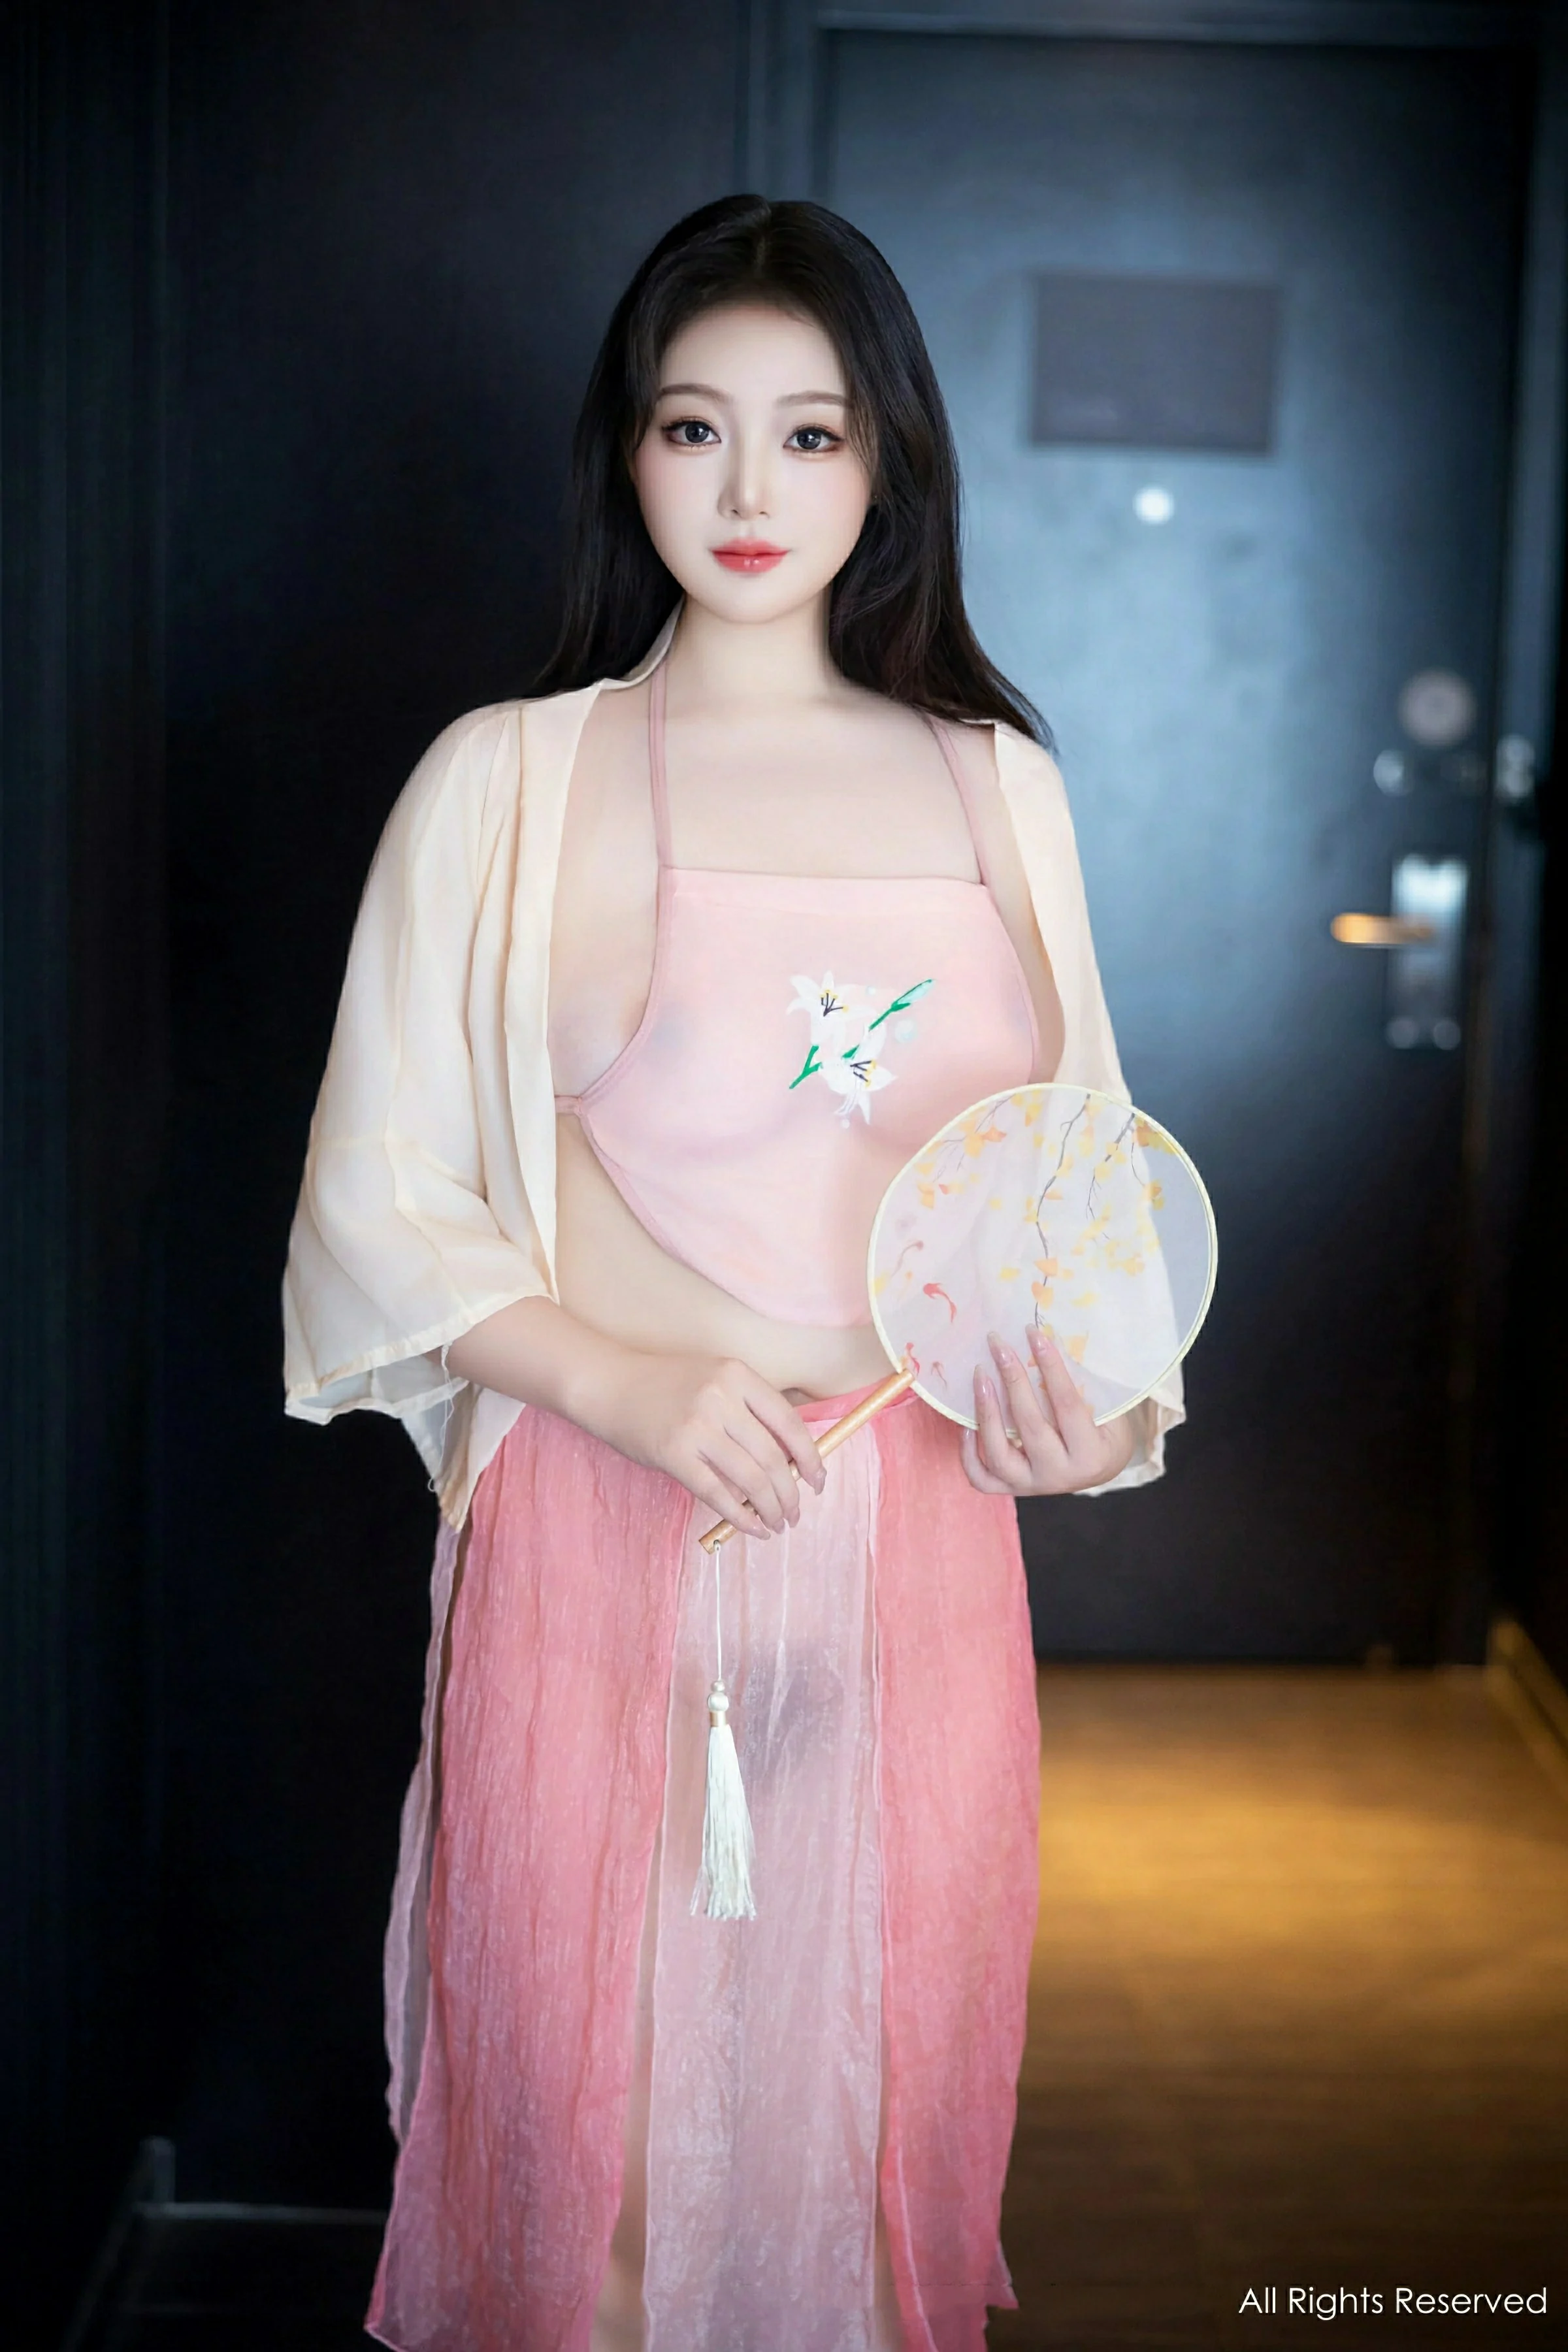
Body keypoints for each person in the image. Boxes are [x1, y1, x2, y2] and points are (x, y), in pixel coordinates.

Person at [284, 193, 1183, 2352]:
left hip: (917, 1555)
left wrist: (1085, 1414)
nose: (750, 487)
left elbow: (1081, 1186)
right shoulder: (510, 780)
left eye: (812, 432)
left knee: (870, 2145)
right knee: (582, 2155)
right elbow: (373, 1205)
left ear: (888, 464)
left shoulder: (1000, 785)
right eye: (697, 428)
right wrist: (620, 1384)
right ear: (630, 452)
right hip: (600, 1547)